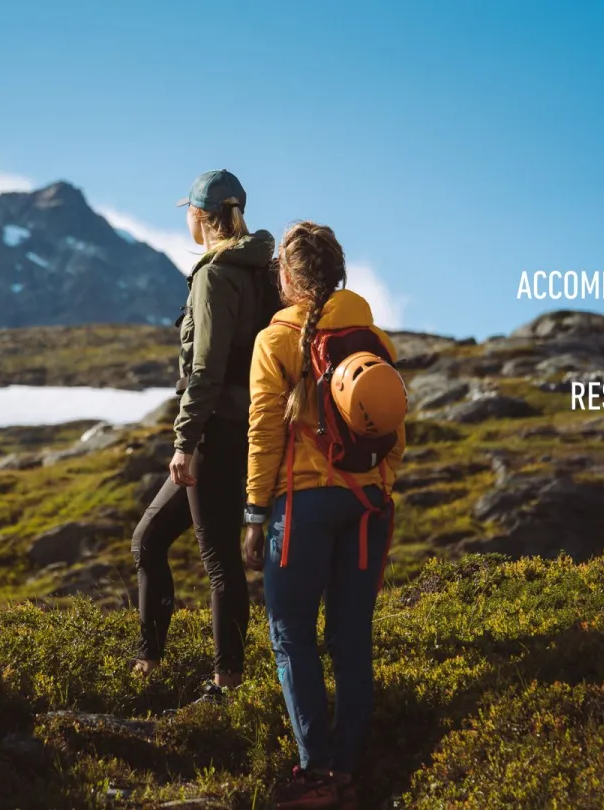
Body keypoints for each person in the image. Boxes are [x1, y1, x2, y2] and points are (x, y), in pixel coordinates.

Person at [242, 222, 405, 809]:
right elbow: (394, 432)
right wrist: (375, 484)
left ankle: (316, 776)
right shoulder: (374, 337)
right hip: (369, 508)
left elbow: (262, 433)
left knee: (292, 635)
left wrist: (256, 513)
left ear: (286, 278)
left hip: (300, 509)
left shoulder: (276, 340)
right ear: (337, 272)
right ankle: (348, 772)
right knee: (351, 637)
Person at [131, 169, 278, 698]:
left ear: (200, 215)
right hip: (244, 426)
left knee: (218, 563)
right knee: (148, 541)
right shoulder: (260, 269)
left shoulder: (217, 275)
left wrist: (184, 441)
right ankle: (149, 666)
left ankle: (226, 685)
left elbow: (206, 369)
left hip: (216, 431)